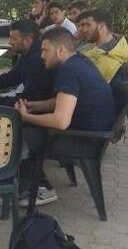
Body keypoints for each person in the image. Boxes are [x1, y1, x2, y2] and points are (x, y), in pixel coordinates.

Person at [15, 28, 114, 206]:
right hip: (92, 135)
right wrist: (34, 106)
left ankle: (38, 189)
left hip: (83, 141)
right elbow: (63, 100)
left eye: (45, 50)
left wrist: (26, 117)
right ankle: (29, 183)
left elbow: (60, 122)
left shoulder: (68, 71)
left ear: (60, 50)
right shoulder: (79, 61)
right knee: (28, 127)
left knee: (19, 134)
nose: (41, 56)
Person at [0, 20, 55, 106]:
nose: (10, 42)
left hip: (37, 109)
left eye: (13, 38)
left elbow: (29, 99)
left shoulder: (38, 60)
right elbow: (12, 77)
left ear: (27, 40)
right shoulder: (28, 53)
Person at [76, 9, 128, 84]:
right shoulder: (89, 45)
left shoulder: (111, 62)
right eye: (81, 25)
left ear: (101, 26)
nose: (83, 30)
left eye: (88, 25)